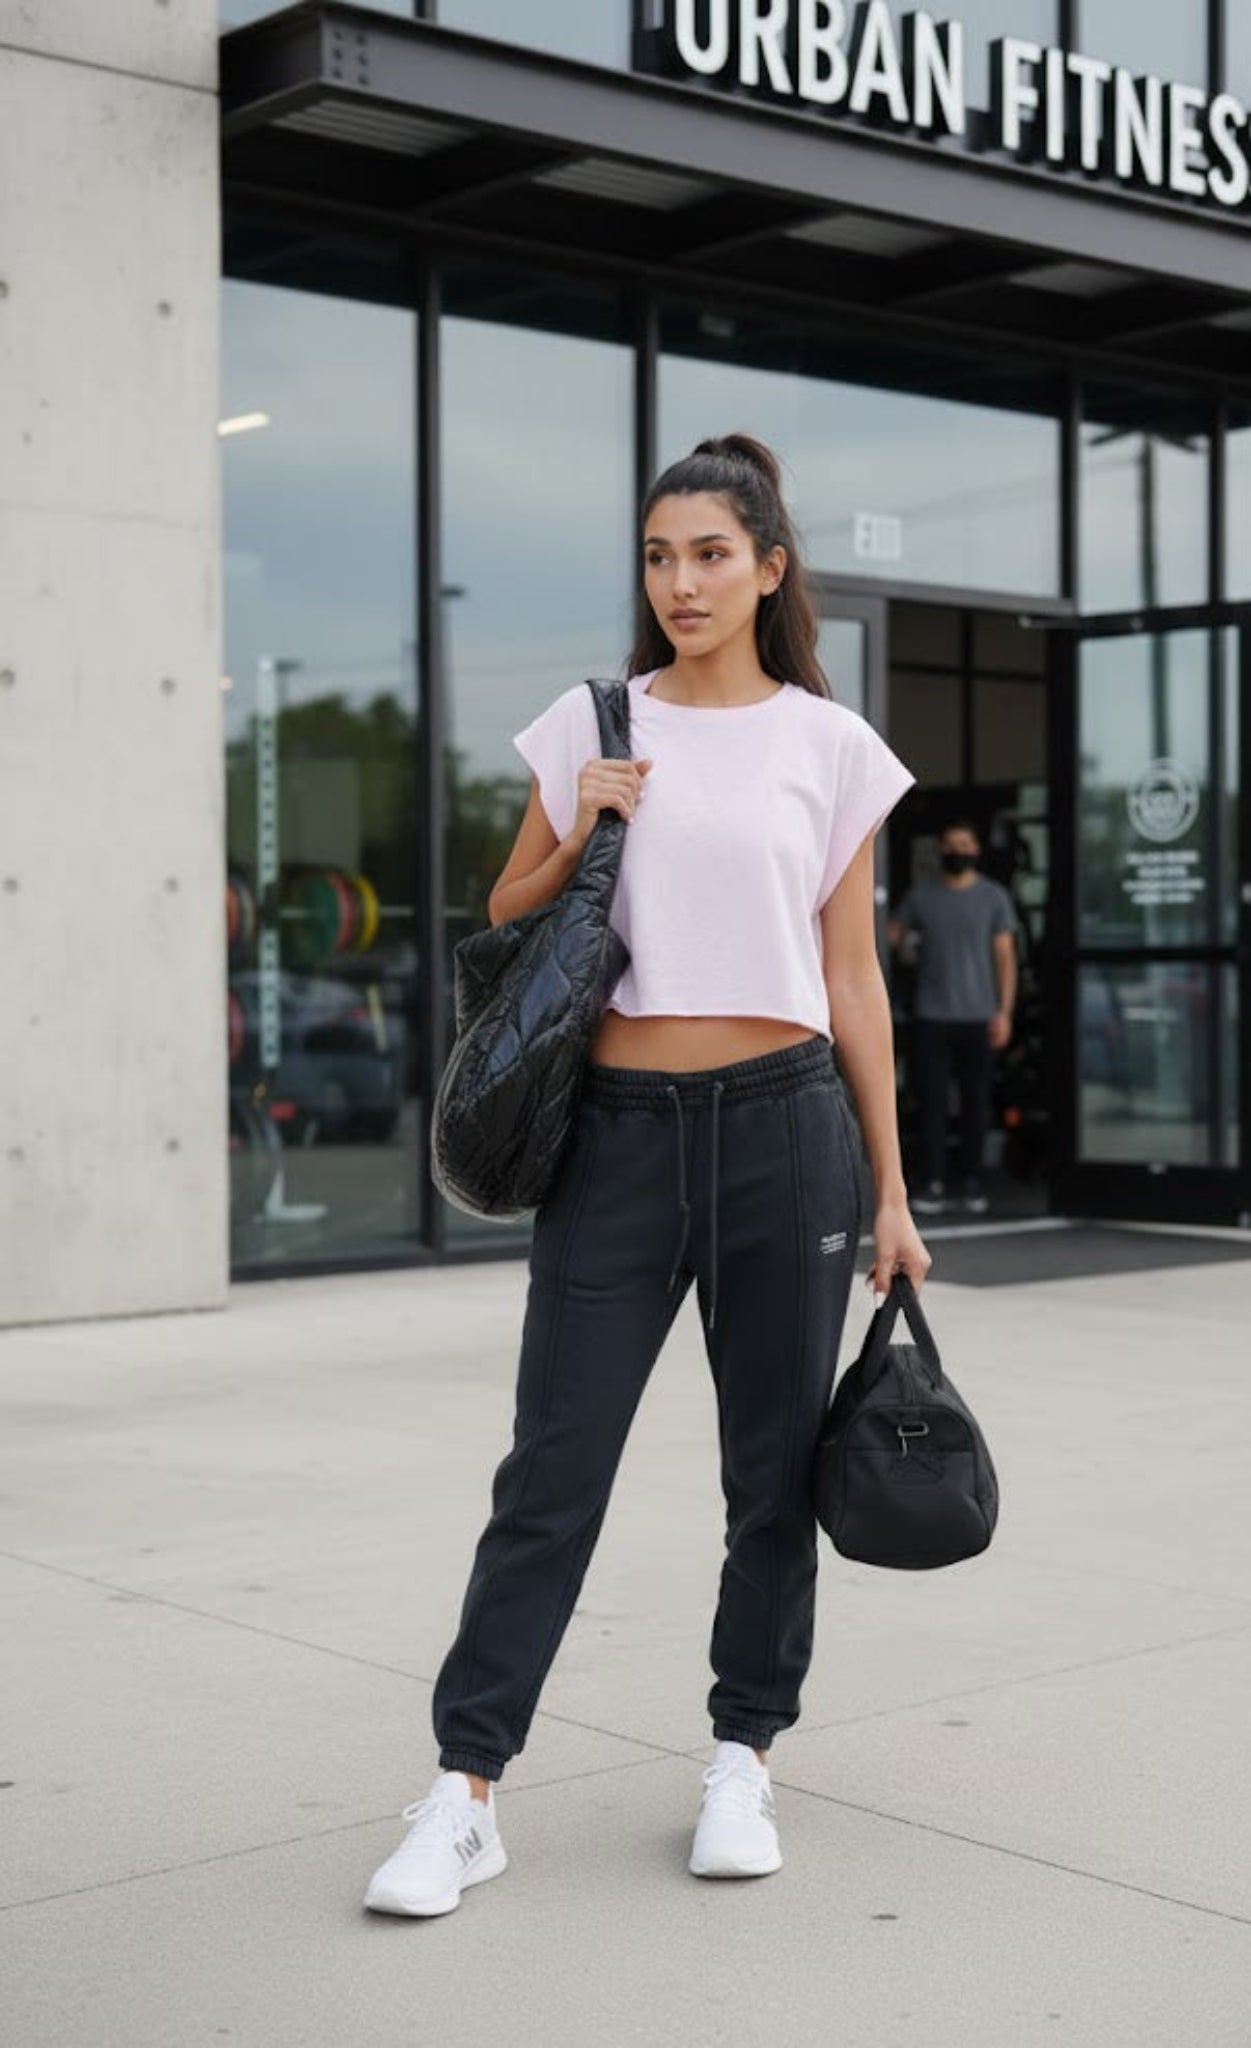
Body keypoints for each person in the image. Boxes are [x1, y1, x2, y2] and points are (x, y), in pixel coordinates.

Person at [365, 434, 929, 1920]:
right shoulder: (592, 720)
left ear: (767, 569)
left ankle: (741, 1755)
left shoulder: (828, 745)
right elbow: (503, 908)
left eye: (707, 555)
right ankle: (462, 1791)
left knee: (767, 1480)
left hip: (783, 1131)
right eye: (656, 555)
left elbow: (852, 980)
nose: (678, 581)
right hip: (612, 1136)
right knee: (550, 1475)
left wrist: (887, 1190)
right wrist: (596, 813)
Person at [889, 819, 1018, 1216]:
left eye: (964, 843)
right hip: (931, 1016)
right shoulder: (922, 896)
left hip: (978, 1017)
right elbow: (890, 934)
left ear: (976, 849)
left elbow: (1005, 958)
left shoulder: (993, 898)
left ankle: (971, 1181)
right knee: (932, 1104)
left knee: (976, 1104)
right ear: (940, 849)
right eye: (950, 843)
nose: (957, 849)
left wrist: (1004, 1011)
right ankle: (931, 1182)